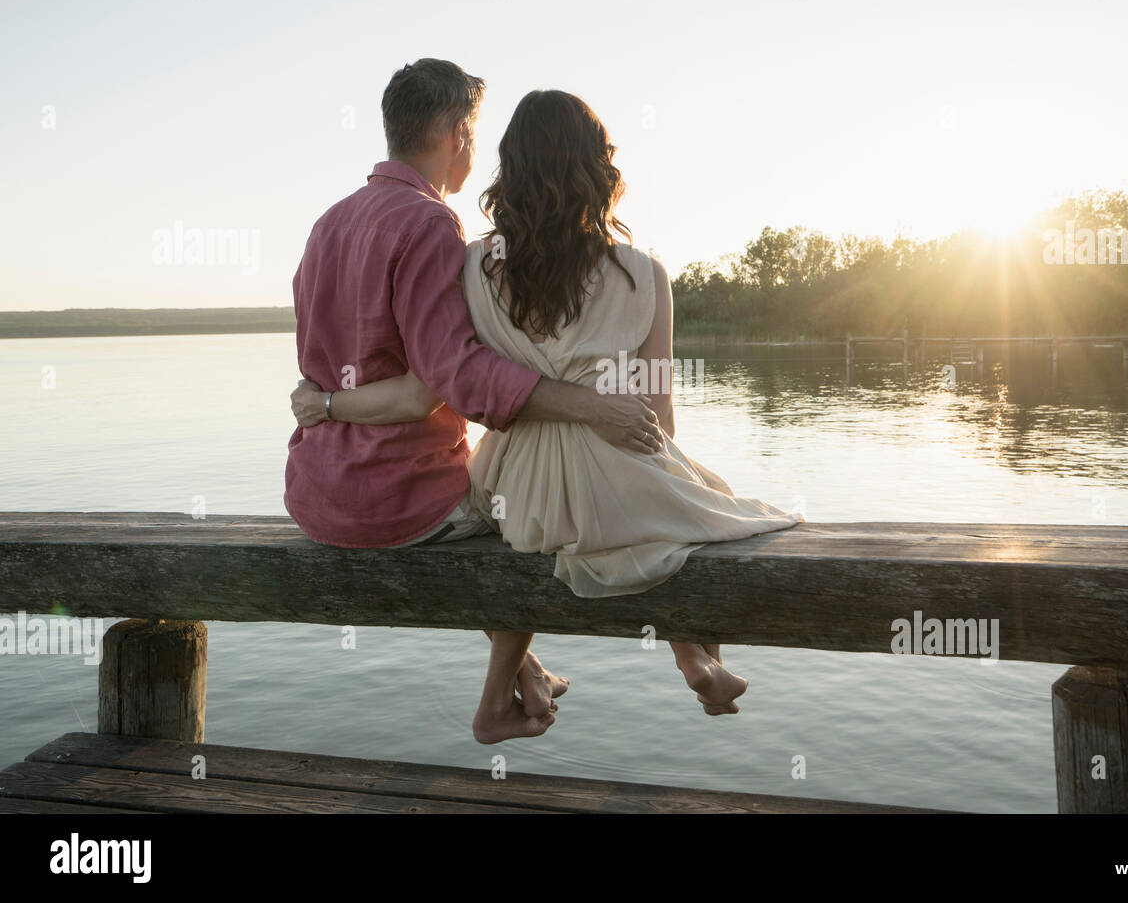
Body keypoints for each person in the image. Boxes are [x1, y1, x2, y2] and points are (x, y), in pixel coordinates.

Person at [291, 89, 801, 743]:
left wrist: (331, 403)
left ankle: (536, 681)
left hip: (514, 491)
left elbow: (454, 375)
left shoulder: (476, 265)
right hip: (614, 469)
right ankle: (696, 655)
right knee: (700, 498)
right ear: (599, 167)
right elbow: (658, 419)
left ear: (511, 171)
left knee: (563, 521)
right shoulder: (646, 275)